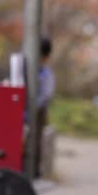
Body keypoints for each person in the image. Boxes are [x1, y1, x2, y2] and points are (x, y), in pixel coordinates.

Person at [34, 37, 55, 177]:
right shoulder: (27, 68)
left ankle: (35, 170)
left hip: (37, 113)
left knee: (36, 142)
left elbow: (46, 95)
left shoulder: (46, 74)